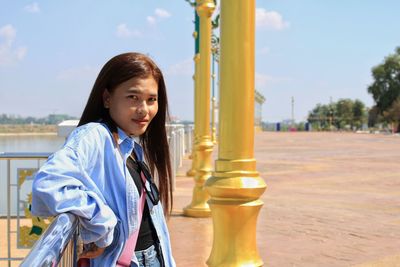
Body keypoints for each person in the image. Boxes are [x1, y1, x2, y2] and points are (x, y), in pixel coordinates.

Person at [31, 52, 175, 267]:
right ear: (107, 98)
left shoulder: (131, 146)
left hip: (154, 255)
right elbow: (48, 184)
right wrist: (102, 222)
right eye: (132, 97)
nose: (144, 110)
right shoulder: (94, 136)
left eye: (151, 99)